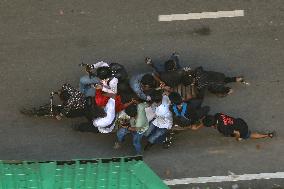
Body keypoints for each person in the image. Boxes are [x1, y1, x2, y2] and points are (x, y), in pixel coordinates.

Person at [200, 113, 275, 140]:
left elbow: (237, 132)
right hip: (239, 121)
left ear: (212, 125)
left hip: (241, 129)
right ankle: (268, 135)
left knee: (249, 135)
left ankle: (268, 135)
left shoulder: (222, 128)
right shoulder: (218, 115)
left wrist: (238, 138)